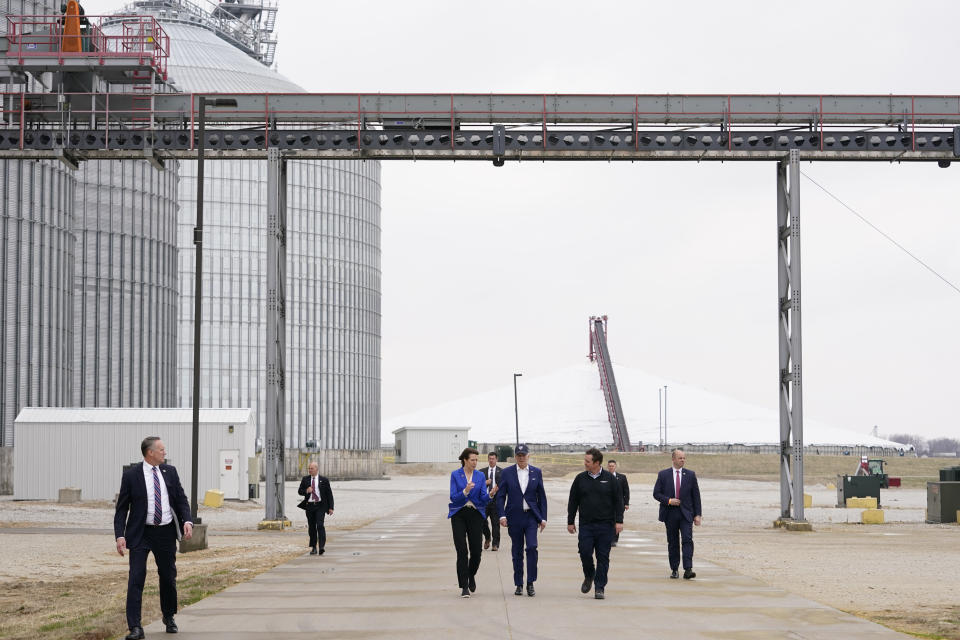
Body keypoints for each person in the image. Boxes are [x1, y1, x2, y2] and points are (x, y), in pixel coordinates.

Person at [114, 437, 193, 640]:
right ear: (150, 452)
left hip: (165, 532)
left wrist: (187, 521)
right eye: (161, 449)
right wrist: (120, 535)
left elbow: (181, 499)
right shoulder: (132, 475)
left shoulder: (170, 472)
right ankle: (135, 627)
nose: (164, 453)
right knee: (136, 578)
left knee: (168, 576)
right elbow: (122, 508)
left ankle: (169, 616)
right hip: (141, 533)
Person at [567, 447, 623, 599]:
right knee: (585, 552)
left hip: (606, 525)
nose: (585, 463)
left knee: (603, 557)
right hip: (586, 524)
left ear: (597, 462)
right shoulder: (580, 479)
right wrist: (570, 521)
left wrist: (619, 521)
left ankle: (600, 587)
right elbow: (573, 501)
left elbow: (619, 501)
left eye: (587, 461)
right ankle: (589, 575)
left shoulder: (610, 479)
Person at [497, 443, 547, 596]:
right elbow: (500, 496)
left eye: (523, 455)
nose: (521, 458)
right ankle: (518, 583)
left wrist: (543, 518)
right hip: (514, 517)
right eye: (518, 455)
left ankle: (530, 582)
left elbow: (542, 497)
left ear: (528, 456)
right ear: (515, 457)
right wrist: (502, 515)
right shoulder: (507, 473)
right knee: (517, 551)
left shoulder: (536, 472)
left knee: (532, 547)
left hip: (531, 516)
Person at [652, 447, 702, 579]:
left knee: (687, 540)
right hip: (670, 514)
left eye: (684, 458)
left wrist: (698, 514)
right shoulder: (663, 474)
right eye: (680, 458)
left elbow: (696, 496)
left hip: (686, 514)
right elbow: (656, 494)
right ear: (673, 459)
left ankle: (688, 569)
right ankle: (674, 569)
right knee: (673, 542)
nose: (683, 460)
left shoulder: (690, 475)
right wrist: (668, 500)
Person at [448, 447, 490, 598]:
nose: (475, 462)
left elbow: (483, 498)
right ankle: (464, 586)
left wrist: (490, 494)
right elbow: (453, 497)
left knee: (477, 552)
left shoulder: (479, 476)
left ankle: (471, 575)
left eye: (476, 460)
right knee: (462, 551)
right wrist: (465, 491)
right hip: (458, 513)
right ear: (465, 460)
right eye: (472, 460)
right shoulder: (455, 475)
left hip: (475, 514)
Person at [297, 462, 334, 555]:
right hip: (309, 506)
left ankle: (321, 546)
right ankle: (313, 547)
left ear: (317, 469)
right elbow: (300, 491)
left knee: (320, 525)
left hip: (320, 505)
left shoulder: (324, 480)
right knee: (312, 527)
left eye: (311, 468)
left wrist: (331, 507)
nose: (310, 470)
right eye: (309, 468)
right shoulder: (305, 479)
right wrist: (306, 490)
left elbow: (329, 494)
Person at [480, 451, 503, 551]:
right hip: (484, 501)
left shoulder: (502, 472)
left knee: (495, 524)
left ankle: (495, 544)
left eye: (493, 458)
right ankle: (488, 537)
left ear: (496, 459)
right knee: (481, 522)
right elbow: (477, 486)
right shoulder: (481, 472)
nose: (491, 460)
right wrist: (485, 483)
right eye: (490, 458)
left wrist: (497, 488)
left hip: (496, 501)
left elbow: (505, 486)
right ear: (488, 459)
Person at [607, 459, 630, 546]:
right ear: (607, 467)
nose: (611, 467)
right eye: (609, 466)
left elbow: (626, 491)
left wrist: (626, 503)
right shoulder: (603, 476)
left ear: (615, 466)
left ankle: (614, 541)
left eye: (612, 466)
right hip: (606, 505)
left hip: (619, 504)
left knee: (617, 522)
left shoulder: (622, 477)